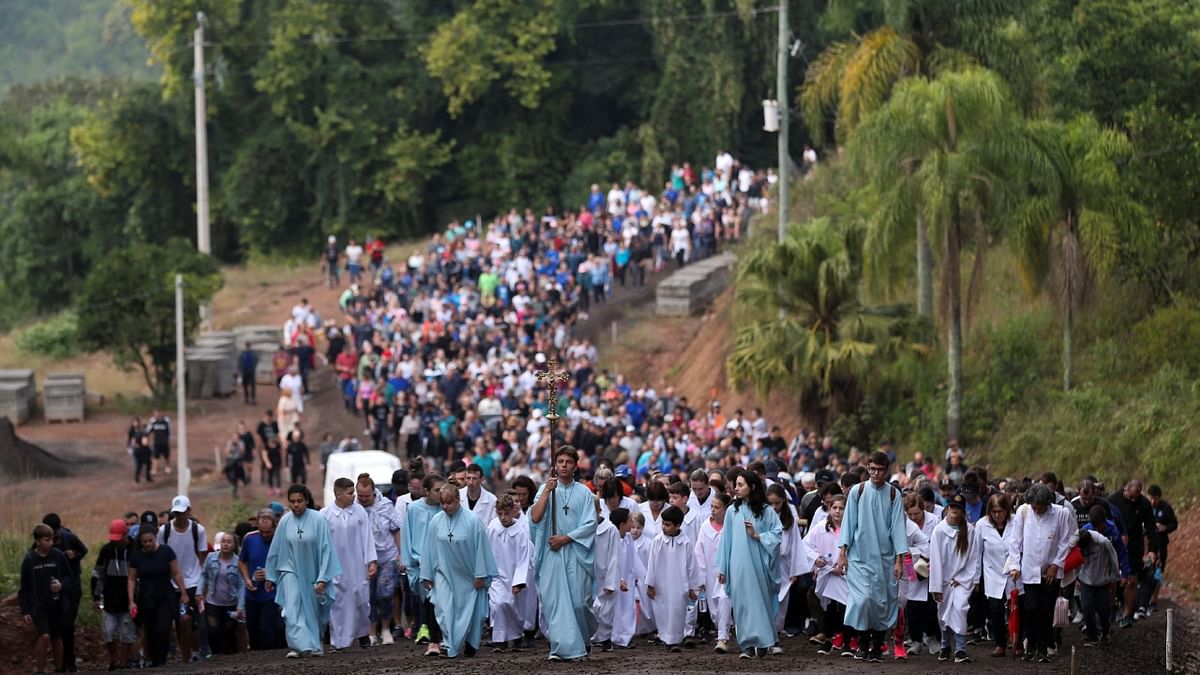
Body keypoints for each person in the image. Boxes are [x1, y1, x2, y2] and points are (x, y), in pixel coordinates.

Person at [834, 451, 909, 662]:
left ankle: (877, 646)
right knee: (863, 600)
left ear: (887, 471)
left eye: (880, 470)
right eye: (872, 469)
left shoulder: (894, 494)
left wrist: (899, 559)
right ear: (868, 469)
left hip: (884, 558)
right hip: (859, 557)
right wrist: (843, 552)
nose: (876, 473)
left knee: (881, 603)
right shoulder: (857, 492)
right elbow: (848, 524)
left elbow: (898, 529)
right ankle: (862, 643)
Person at [530, 446, 598, 662]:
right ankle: (559, 648)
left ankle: (584, 639)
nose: (564, 465)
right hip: (552, 553)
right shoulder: (546, 488)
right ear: (555, 465)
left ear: (576, 465)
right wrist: (548, 492)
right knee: (555, 602)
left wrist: (566, 538)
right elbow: (535, 517)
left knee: (579, 602)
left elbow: (589, 524)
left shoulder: (584, 492)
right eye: (560, 462)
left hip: (575, 551)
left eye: (568, 462)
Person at [420, 484, 497, 658]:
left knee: (472, 614)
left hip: (468, 576)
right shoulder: (436, 521)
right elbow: (429, 549)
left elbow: (482, 549)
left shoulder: (473, 521)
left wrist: (480, 574)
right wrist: (427, 575)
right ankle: (449, 645)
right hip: (444, 574)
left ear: (458, 501)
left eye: (449, 503)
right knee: (443, 609)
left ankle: (471, 642)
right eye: (442, 503)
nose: (445, 507)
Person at [266, 484, 342, 658]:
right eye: (292, 502)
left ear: (306, 500)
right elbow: (275, 549)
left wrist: (323, 577)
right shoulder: (285, 521)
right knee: (291, 608)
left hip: (313, 572)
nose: (296, 505)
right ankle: (299, 645)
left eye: (299, 501)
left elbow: (326, 549)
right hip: (289, 570)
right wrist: (270, 575)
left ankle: (314, 646)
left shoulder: (318, 519)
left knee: (312, 610)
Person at [1006, 484, 1076, 663]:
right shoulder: (1024, 511)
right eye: (1034, 507)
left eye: (1039, 507)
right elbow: (1015, 540)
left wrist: (1056, 564)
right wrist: (1015, 565)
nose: (1036, 510)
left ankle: (1044, 648)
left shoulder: (1061, 513)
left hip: (1051, 571)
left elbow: (1065, 541)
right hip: (1029, 568)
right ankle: (1030, 646)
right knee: (1030, 608)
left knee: (1046, 610)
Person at [716, 471, 783, 658]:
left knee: (759, 602)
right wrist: (723, 567)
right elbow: (726, 541)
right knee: (742, 605)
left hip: (759, 565)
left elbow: (777, 535)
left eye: (740, 485)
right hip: (738, 565)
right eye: (735, 485)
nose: (736, 488)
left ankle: (763, 641)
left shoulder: (766, 511)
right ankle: (746, 644)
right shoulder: (732, 511)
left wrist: (758, 536)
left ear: (752, 487)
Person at [321, 477, 376, 652]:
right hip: (336, 566)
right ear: (338, 494)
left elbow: (367, 537)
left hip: (358, 565)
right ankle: (339, 641)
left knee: (361, 599)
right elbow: (323, 544)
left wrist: (371, 561)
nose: (354, 496)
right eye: (350, 492)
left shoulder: (359, 511)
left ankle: (362, 633)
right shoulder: (325, 514)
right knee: (337, 603)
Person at [128, 518, 189, 668]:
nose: (148, 544)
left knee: (163, 628)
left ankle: (161, 659)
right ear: (141, 542)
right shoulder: (136, 556)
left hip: (164, 594)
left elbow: (176, 573)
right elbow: (131, 579)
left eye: (150, 540)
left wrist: (183, 593)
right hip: (146, 595)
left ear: (155, 538)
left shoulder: (166, 551)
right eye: (145, 542)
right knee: (150, 629)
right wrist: (131, 601)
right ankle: (154, 661)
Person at [929, 493, 980, 664]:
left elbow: (973, 557)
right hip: (944, 580)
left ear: (963, 512)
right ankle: (945, 646)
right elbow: (935, 560)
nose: (954, 511)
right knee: (943, 613)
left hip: (961, 580)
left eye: (958, 509)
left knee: (959, 609)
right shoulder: (939, 531)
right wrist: (936, 586)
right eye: (952, 507)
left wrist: (964, 578)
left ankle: (960, 649)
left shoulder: (970, 532)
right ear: (947, 508)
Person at [157, 496, 207, 664]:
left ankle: (194, 652)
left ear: (189, 511)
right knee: (179, 620)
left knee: (189, 620)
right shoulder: (164, 531)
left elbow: (202, 557)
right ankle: (186, 655)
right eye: (176, 513)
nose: (179, 516)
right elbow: (160, 554)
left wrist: (202, 583)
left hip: (192, 580)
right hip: (171, 583)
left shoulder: (197, 530)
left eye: (182, 512)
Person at [356, 473, 403, 646]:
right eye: (360, 496)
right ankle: (371, 630)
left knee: (384, 593)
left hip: (387, 556)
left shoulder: (385, 506)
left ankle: (385, 627)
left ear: (373, 493)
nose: (363, 499)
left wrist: (401, 553)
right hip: (365, 559)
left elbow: (396, 529)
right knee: (368, 595)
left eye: (366, 496)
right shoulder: (355, 509)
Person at [401, 473, 447, 655]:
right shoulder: (413, 509)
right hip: (420, 563)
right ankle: (434, 639)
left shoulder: (445, 509)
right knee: (428, 601)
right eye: (437, 490)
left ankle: (441, 638)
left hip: (442, 562)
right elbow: (408, 535)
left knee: (442, 601)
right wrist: (410, 561)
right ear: (426, 491)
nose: (441, 494)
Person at [644, 505, 700, 652]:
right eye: (663, 523)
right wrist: (650, 584)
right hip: (661, 584)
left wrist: (693, 588)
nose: (664, 527)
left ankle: (674, 641)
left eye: (668, 524)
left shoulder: (686, 542)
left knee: (677, 611)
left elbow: (692, 566)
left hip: (679, 585)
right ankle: (665, 639)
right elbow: (651, 563)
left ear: (678, 525)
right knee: (662, 611)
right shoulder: (657, 541)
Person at [20, 524, 73, 674]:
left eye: (51, 539)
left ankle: (59, 669)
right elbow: (24, 589)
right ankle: (40, 670)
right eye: (46, 540)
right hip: (39, 605)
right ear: (38, 541)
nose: (50, 542)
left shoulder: (58, 555)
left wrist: (61, 584)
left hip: (56, 603)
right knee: (44, 636)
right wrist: (25, 610)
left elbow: (70, 577)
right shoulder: (30, 560)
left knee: (57, 637)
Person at [487, 494, 533, 652]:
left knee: (514, 607)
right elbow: (487, 551)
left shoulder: (520, 532)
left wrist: (519, 581)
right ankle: (499, 640)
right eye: (500, 514)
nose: (503, 518)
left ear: (513, 512)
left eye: (506, 514)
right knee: (499, 604)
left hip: (514, 576)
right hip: (497, 576)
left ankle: (515, 635)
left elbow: (523, 558)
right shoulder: (493, 527)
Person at [973, 493, 1017, 658]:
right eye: (994, 512)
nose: (998, 515)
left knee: (1015, 608)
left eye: (1001, 511)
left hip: (1013, 572)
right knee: (996, 609)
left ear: (1007, 510)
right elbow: (976, 554)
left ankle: (1017, 641)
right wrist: (976, 579)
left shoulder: (1016, 522)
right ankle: (1000, 643)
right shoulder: (981, 525)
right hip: (992, 573)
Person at [41, 513, 87, 673]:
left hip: (71, 588)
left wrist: (75, 555)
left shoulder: (69, 538)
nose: (52, 538)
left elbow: (84, 550)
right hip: (53, 590)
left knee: (67, 625)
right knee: (57, 627)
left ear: (60, 528)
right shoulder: (43, 542)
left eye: (54, 534)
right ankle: (60, 663)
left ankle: (70, 660)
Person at [1108, 479, 1157, 625]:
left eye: (1136, 497)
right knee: (1114, 581)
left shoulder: (1144, 504)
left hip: (1134, 545)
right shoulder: (1112, 500)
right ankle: (1114, 607)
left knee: (1132, 580)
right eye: (1131, 497)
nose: (1133, 500)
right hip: (1115, 543)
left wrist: (1153, 550)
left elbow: (1151, 528)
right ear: (1125, 490)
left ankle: (1127, 615)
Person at [92, 519, 136, 671]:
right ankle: (114, 660)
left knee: (127, 633)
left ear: (126, 534)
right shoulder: (107, 550)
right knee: (108, 631)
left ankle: (124, 663)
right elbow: (98, 573)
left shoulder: (135, 550)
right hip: (110, 599)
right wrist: (96, 596)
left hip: (129, 600)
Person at [239, 508, 285, 651]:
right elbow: (242, 561)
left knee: (266, 629)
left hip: (272, 593)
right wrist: (246, 578)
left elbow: (288, 563)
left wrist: (270, 573)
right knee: (252, 629)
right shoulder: (249, 538)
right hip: (252, 592)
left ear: (274, 527)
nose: (264, 535)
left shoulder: (281, 540)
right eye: (262, 532)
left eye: (268, 532)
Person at [197, 532, 246, 656]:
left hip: (231, 602)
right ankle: (215, 654)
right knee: (212, 630)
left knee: (228, 631)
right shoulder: (211, 557)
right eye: (223, 541)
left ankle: (228, 657)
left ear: (234, 545)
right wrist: (199, 591)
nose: (225, 544)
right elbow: (204, 575)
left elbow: (242, 584)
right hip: (213, 601)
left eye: (229, 542)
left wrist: (241, 605)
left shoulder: (239, 562)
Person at [695, 492, 731, 653]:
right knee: (715, 610)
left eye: (717, 507)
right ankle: (723, 629)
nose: (713, 510)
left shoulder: (731, 528)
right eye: (712, 507)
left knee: (724, 599)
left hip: (729, 574)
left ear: (726, 509)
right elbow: (699, 553)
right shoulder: (705, 527)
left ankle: (722, 638)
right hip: (710, 575)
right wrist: (700, 579)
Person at [1076, 528, 1121, 646]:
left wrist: (1114, 577)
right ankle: (1092, 636)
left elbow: (1113, 558)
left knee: (1102, 610)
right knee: (1087, 607)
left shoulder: (1103, 542)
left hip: (1102, 581)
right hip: (1085, 580)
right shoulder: (1074, 540)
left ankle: (1106, 630)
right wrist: (1076, 577)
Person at [590, 500, 622, 651]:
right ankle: (589, 637)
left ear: (598, 510)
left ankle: (605, 639)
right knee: (590, 608)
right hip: (587, 575)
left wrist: (611, 582)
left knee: (606, 610)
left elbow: (615, 557)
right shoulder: (580, 527)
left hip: (604, 575)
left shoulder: (610, 530)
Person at [1147, 484, 1177, 611]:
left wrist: (1165, 528)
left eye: (1156, 498)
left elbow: (1174, 524)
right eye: (1151, 498)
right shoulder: (1144, 506)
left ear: (1159, 498)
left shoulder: (1165, 508)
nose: (1153, 501)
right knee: (1147, 570)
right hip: (1147, 544)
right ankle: (1144, 598)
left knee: (1158, 571)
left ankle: (1154, 599)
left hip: (1161, 544)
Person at [147, 411, 171, 476]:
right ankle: (154, 469)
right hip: (156, 442)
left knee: (166, 456)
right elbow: (148, 430)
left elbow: (169, 431)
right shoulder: (153, 421)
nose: (157, 415)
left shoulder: (166, 421)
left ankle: (167, 467)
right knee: (155, 456)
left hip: (165, 442)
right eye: (156, 414)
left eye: (158, 414)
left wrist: (169, 439)